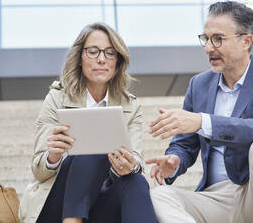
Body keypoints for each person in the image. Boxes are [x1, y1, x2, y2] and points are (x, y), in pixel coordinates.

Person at [146, 1, 253, 223]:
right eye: (206, 39)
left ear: (246, 40)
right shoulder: (198, 85)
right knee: (157, 196)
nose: (209, 48)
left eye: (218, 39)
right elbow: (184, 144)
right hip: (214, 199)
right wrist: (175, 161)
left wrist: (203, 122)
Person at [19, 22, 157, 223]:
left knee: (136, 181)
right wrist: (54, 156)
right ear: (79, 58)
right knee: (95, 144)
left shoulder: (131, 106)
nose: (102, 59)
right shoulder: (56, 99)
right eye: (93, 52)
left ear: (117, 62)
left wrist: (129, 166)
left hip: (101, 206)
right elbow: (39, 172)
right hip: (56, 205)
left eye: (110, 53)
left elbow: (136, 160)